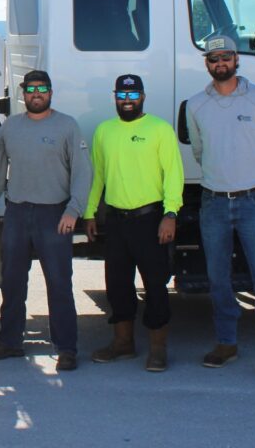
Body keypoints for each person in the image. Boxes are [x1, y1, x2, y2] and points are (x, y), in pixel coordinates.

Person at [185, 34, 255, 384]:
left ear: (237, 59)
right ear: (207, 63)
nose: (221, 63)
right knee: (218, 278)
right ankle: (226, 344)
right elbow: (199, 151)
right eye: (214, 58)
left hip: (253, 202)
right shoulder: (195, 105)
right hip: (213, 202)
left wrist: (254, 179)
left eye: (226, 57)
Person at [0, 70, 92, 371]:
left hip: (54, 215)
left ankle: (66, 348)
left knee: (58, 283)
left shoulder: (67, 126)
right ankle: (10, 342)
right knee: (12, 282)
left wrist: (74, 210)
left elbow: (83, 172)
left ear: (51, 93)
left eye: (42, 88)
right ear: (23, 94)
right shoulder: (11, 127)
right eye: (30, 89)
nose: (36, 94)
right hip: (17, 213)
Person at [84, 74, 184, 372]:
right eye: (122, 96)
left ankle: (157, 349)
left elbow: (173, 175)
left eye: (133, 95)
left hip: (150, 219)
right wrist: (90, 212)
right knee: (117, 285)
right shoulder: (104, 130)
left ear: (142, 96)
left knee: (155, 285)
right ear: (115, 96)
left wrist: (170, 214)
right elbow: (98, 175)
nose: (127, 101)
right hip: (115, 220)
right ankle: (123, 343)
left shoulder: (159, 129)